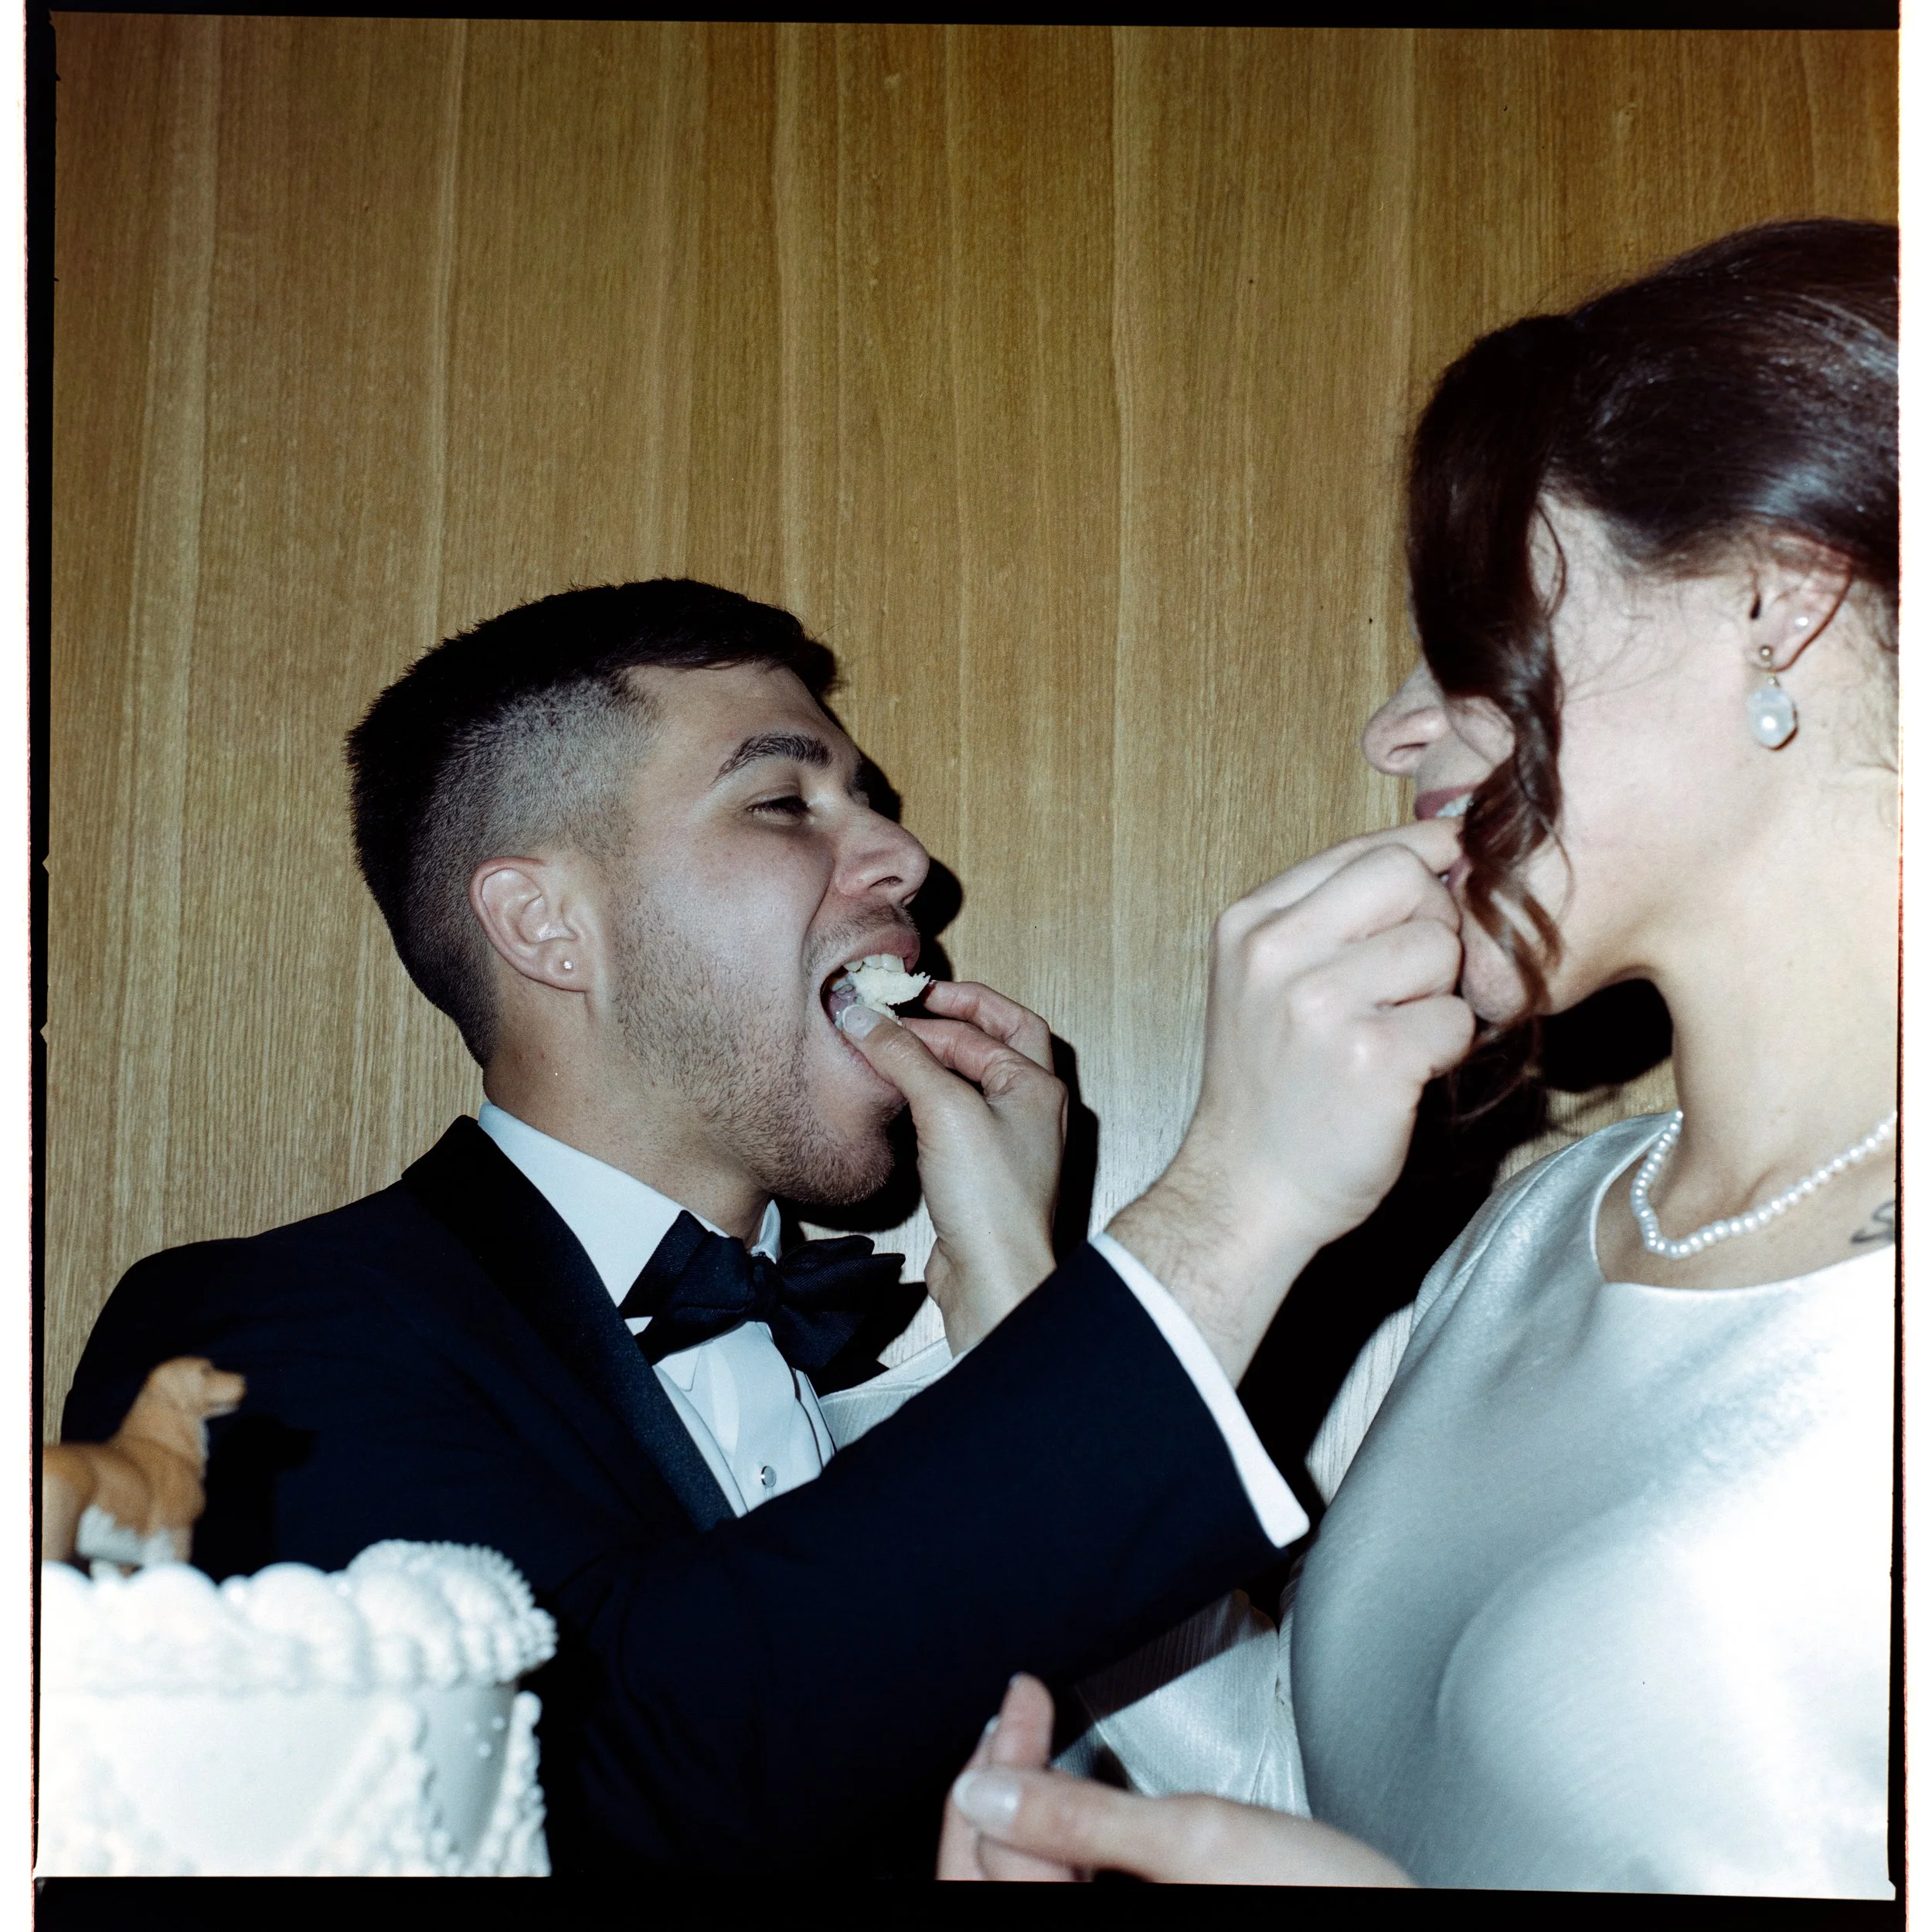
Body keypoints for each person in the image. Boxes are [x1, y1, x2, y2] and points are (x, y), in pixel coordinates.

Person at [62, 578, 1473, 1875]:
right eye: (782, 803)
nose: (908, 862)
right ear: (548, 926)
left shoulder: (910, 1371)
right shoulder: (264, 1336)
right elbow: (609, 1765)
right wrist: (1230, 1204)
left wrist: (1018, 1308)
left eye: (865, 800)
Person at [937, 218, 1900, 1896]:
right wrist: (1017, 1278)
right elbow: (1298, 1762)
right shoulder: (1533, 1229)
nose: (1393, 724)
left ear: (1776, 592)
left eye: (1466, 628)